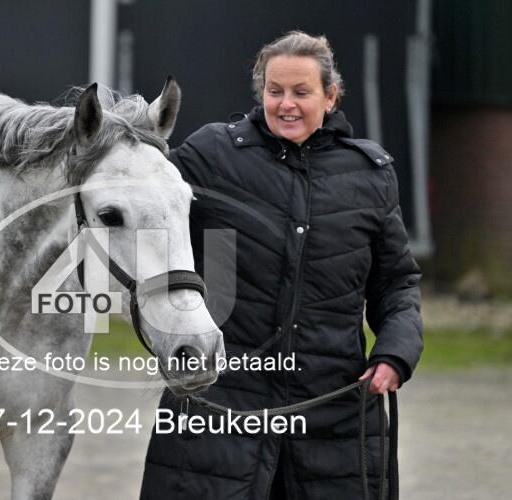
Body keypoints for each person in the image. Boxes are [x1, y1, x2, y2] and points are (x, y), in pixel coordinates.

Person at [140, 31, 423, 499]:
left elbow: (397, 283)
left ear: (330, 96)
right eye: (275, 91)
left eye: (301, 92)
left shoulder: (371, 176)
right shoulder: (212, 155)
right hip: (220, 407)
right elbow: (141, 201)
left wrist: (395, 352)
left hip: (333, 414)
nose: (286, 104)